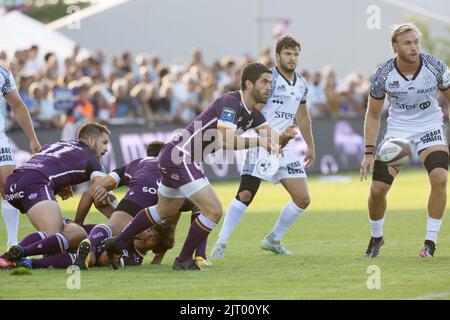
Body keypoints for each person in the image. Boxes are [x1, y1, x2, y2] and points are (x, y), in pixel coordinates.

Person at [102, 62, 281, 270]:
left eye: (271, 82)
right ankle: (184, 260)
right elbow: (225, 140)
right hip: (181, 157)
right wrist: (260, 141)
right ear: (248, 84)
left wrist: (279, 141)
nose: (269, 86)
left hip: (176, 157)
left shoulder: (253, 114)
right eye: (264, 82)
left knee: (164, 209)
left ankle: (117, 243)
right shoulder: (232, 102)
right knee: (213, 210)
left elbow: (271, 135)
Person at [210, 35, 315, 258]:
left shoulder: (302, 84)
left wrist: (310, 146)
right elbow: (252, 108)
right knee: (246, 194)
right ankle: (221, 242)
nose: (292, 58)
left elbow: (303, 116)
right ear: (277, 56)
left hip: (283, 145)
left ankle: (273, 239)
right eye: (287, 53)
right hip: (260, 140)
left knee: (303, 199)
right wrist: (256, 135)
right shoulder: (268, 80)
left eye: (296, 54)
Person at [360, 23, 450, 258]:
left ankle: (430, 241)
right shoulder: (383, 75)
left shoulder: (436, 66)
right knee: (378, 190)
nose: (414, 48)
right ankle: (376, 237)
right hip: (399, 132)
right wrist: (369, 152)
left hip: (430, 128)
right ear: (395, 47)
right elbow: (372, 114)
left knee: (439, 178)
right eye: (408, 43)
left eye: (416, 42)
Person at [72, 141, 209, 269]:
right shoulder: (175, 166)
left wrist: (79, 223)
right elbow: (170, 226)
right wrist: (158, 259)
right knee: (201, 205)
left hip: (142, 189)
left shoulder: (137, 163)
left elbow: (91, 191)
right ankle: (200, 255)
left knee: (112, 225)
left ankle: (90, 243)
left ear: (148, 154)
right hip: (169, 193)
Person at [1, 123, 110, 261]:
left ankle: (16, 254)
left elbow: (46, 162)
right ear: (91, 141)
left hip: (12, 182)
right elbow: (98, 191)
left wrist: (58, 185)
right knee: (52, 237)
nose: (106, 148)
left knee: (77, 234)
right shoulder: (93, 159)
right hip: (36, 182)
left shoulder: (58, 144)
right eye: (104, 142)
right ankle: (10, 258)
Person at [0, 219, 174, 270]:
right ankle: (19, 252)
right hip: (75, 231)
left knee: (87, 260)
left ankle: (29, 262)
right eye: (150, 229)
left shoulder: (134, 259)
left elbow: (105, 259)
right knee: (78, 236)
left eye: (154, 238)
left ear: (156, 248)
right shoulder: (128, 227)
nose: (148, 234)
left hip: (74, 253)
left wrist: (128, 238)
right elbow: (102, 226)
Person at [0, 64, 41, 247]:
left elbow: (17, 105)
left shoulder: (3, 73)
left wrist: (32, 139)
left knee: (8, 186)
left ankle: (12, 242)